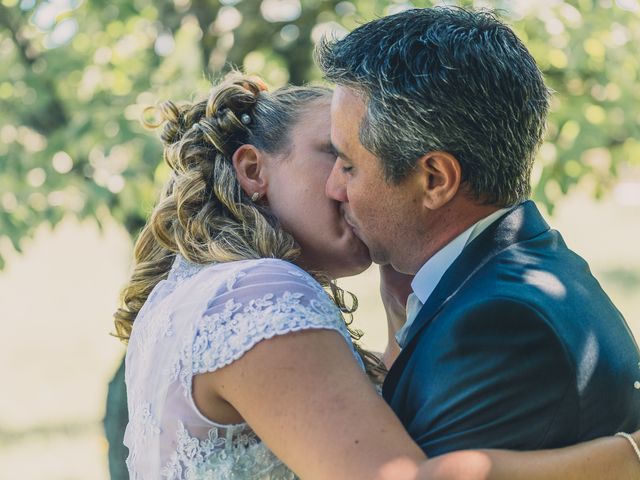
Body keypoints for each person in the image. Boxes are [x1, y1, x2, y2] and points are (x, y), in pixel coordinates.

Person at [114, 72, 640, 479]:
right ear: (254, 170)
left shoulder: (191, 292)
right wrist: (630, 455)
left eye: (359, 162)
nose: (350, 185)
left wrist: (398, 333)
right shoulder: (261, 293)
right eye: (337, 156)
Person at [317, 6, 640, 455]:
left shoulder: (501, 325)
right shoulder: (520, 269)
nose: (333, 187)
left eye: (348, 165)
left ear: (435, 180)